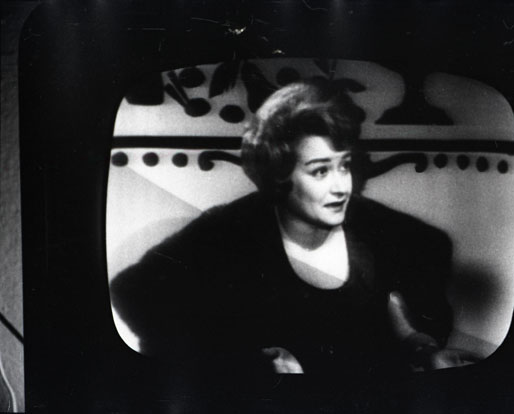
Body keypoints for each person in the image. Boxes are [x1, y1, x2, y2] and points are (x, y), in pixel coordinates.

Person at [110, 78, 455, 376]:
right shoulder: (228, 229)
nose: (341, 187)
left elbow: (406, 318)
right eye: (320, 171)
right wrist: (243, 362)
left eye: (344, 166)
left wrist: (424, 350)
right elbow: (132, 293)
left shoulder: (384, 230)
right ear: (278, 172)